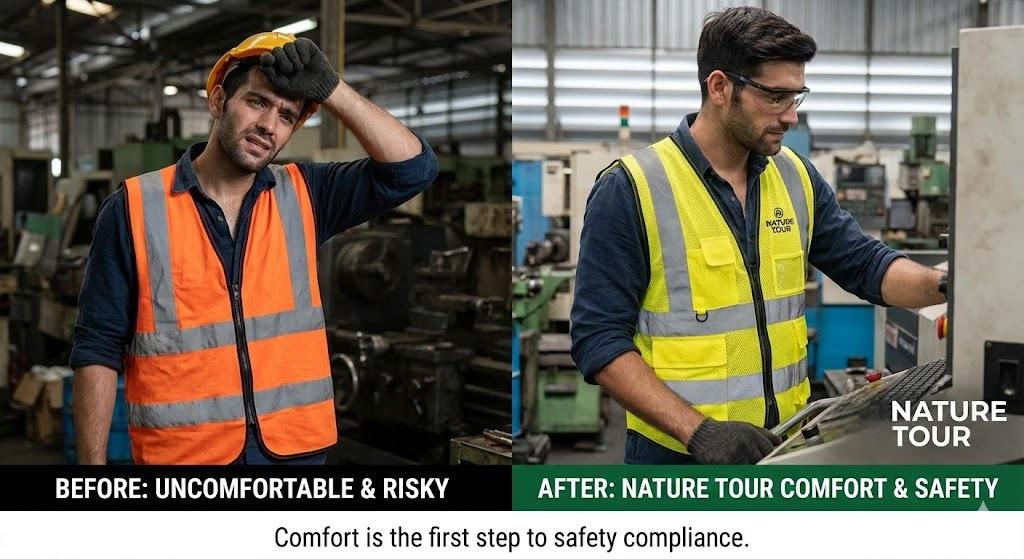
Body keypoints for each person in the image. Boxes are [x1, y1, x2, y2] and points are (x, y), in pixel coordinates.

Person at [569, 7, 945, 465]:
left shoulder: (796, 177)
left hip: (786, 448)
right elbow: (599, 341)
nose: (791, 117)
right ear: (720, 87)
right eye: (775, 97)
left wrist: (943, 287)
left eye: (797, 97)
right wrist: (699, 432)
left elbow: (865, 264)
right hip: (679, 458)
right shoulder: (632, 188)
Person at [70, 32, 438, 465]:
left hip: (294, 458)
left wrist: (333, 90)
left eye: (287, 116)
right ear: (219, 101)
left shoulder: (306, 194)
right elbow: (98, 345)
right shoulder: (134, 209)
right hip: (186, 461)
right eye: (258, 102)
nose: (269, 125)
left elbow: (413, 170)